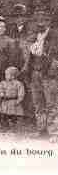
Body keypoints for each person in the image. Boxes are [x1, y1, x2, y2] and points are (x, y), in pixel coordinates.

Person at [23, 9, 58, 140]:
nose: (40, 23)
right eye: (38, 21)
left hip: (49, 74)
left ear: (49, 22)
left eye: (43, 21)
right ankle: (41, 130)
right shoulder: (34, 37)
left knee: (51, 103)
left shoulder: (55, 36)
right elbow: (29, 56)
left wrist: (54, 65)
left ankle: (54, 133)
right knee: (38, 103)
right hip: (35, 73)